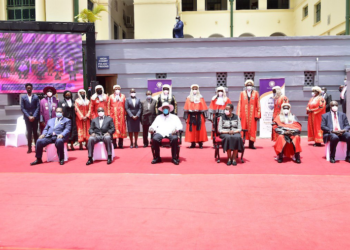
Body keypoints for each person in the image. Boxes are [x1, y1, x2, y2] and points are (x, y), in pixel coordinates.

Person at [237, 79, 261, 149]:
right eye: (248, 85)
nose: (249, 87)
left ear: (252, 86)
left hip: (252, 115)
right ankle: (242, 144)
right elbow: (239, 103)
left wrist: (258, 114)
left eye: (250, 85)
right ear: (245, 86)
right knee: (243, 128)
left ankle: (251, 144)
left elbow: (258, 104)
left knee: (252, 129)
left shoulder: (255, 93)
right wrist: (239, 114)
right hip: (244, 114)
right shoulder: (242, 93)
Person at [21, 83, 40, 153]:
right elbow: (22, 108)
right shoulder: (23, 97)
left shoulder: (36, 97)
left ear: (32, 88)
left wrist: (34, 116)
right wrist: (28, 116)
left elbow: (38, 107)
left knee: (35, 132)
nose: (29, 89)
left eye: (30, 88)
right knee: (29, 133)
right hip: (27, 118)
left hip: (35, 118)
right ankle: (29, 148)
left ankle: (37, 147)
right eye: (27, 88)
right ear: (26, 89)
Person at [108, 85, 127, 149]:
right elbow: (108, 106)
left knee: (121, 128)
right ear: (114, 90)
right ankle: (114, 143)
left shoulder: (123, 96)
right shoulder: (110, 96)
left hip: (121, 115)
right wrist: (108, 115)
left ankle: (121, 143)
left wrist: (125, 115)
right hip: (113, 115)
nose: (117, 89)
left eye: (118, 88)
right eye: (116, 89)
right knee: (114, 129)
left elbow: (125, 106)